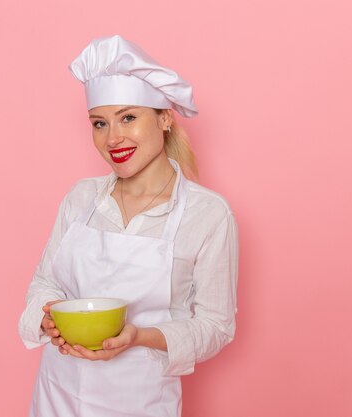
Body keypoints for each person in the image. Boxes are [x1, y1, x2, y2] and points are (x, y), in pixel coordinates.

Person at [18, 35, 238, 417]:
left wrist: (140, 337)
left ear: (165, 118)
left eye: (129, 118)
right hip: (58, 397)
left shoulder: (208, 214)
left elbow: (216, 325)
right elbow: (45, 283)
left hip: (140, 402)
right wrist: (48, 314)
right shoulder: (81, 199)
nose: (112, 138)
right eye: (99, 123)